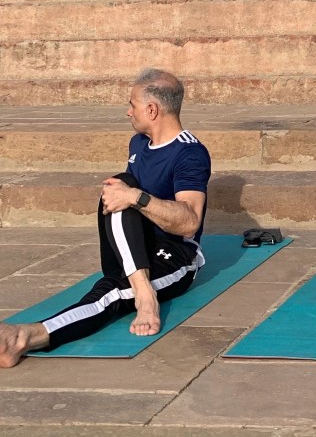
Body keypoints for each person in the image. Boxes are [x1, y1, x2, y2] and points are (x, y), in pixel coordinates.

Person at [0, 69, 211, 367]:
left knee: (111, 293)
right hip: (133, 246)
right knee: (118, 184)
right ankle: (142, 288)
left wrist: (136, 197)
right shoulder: (138, 144)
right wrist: (126, 194)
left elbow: (190, 221)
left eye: (132, 104)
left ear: (152, 109)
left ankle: (24, 337)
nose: (128, 112)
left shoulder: (189, 153)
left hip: (174, 257)